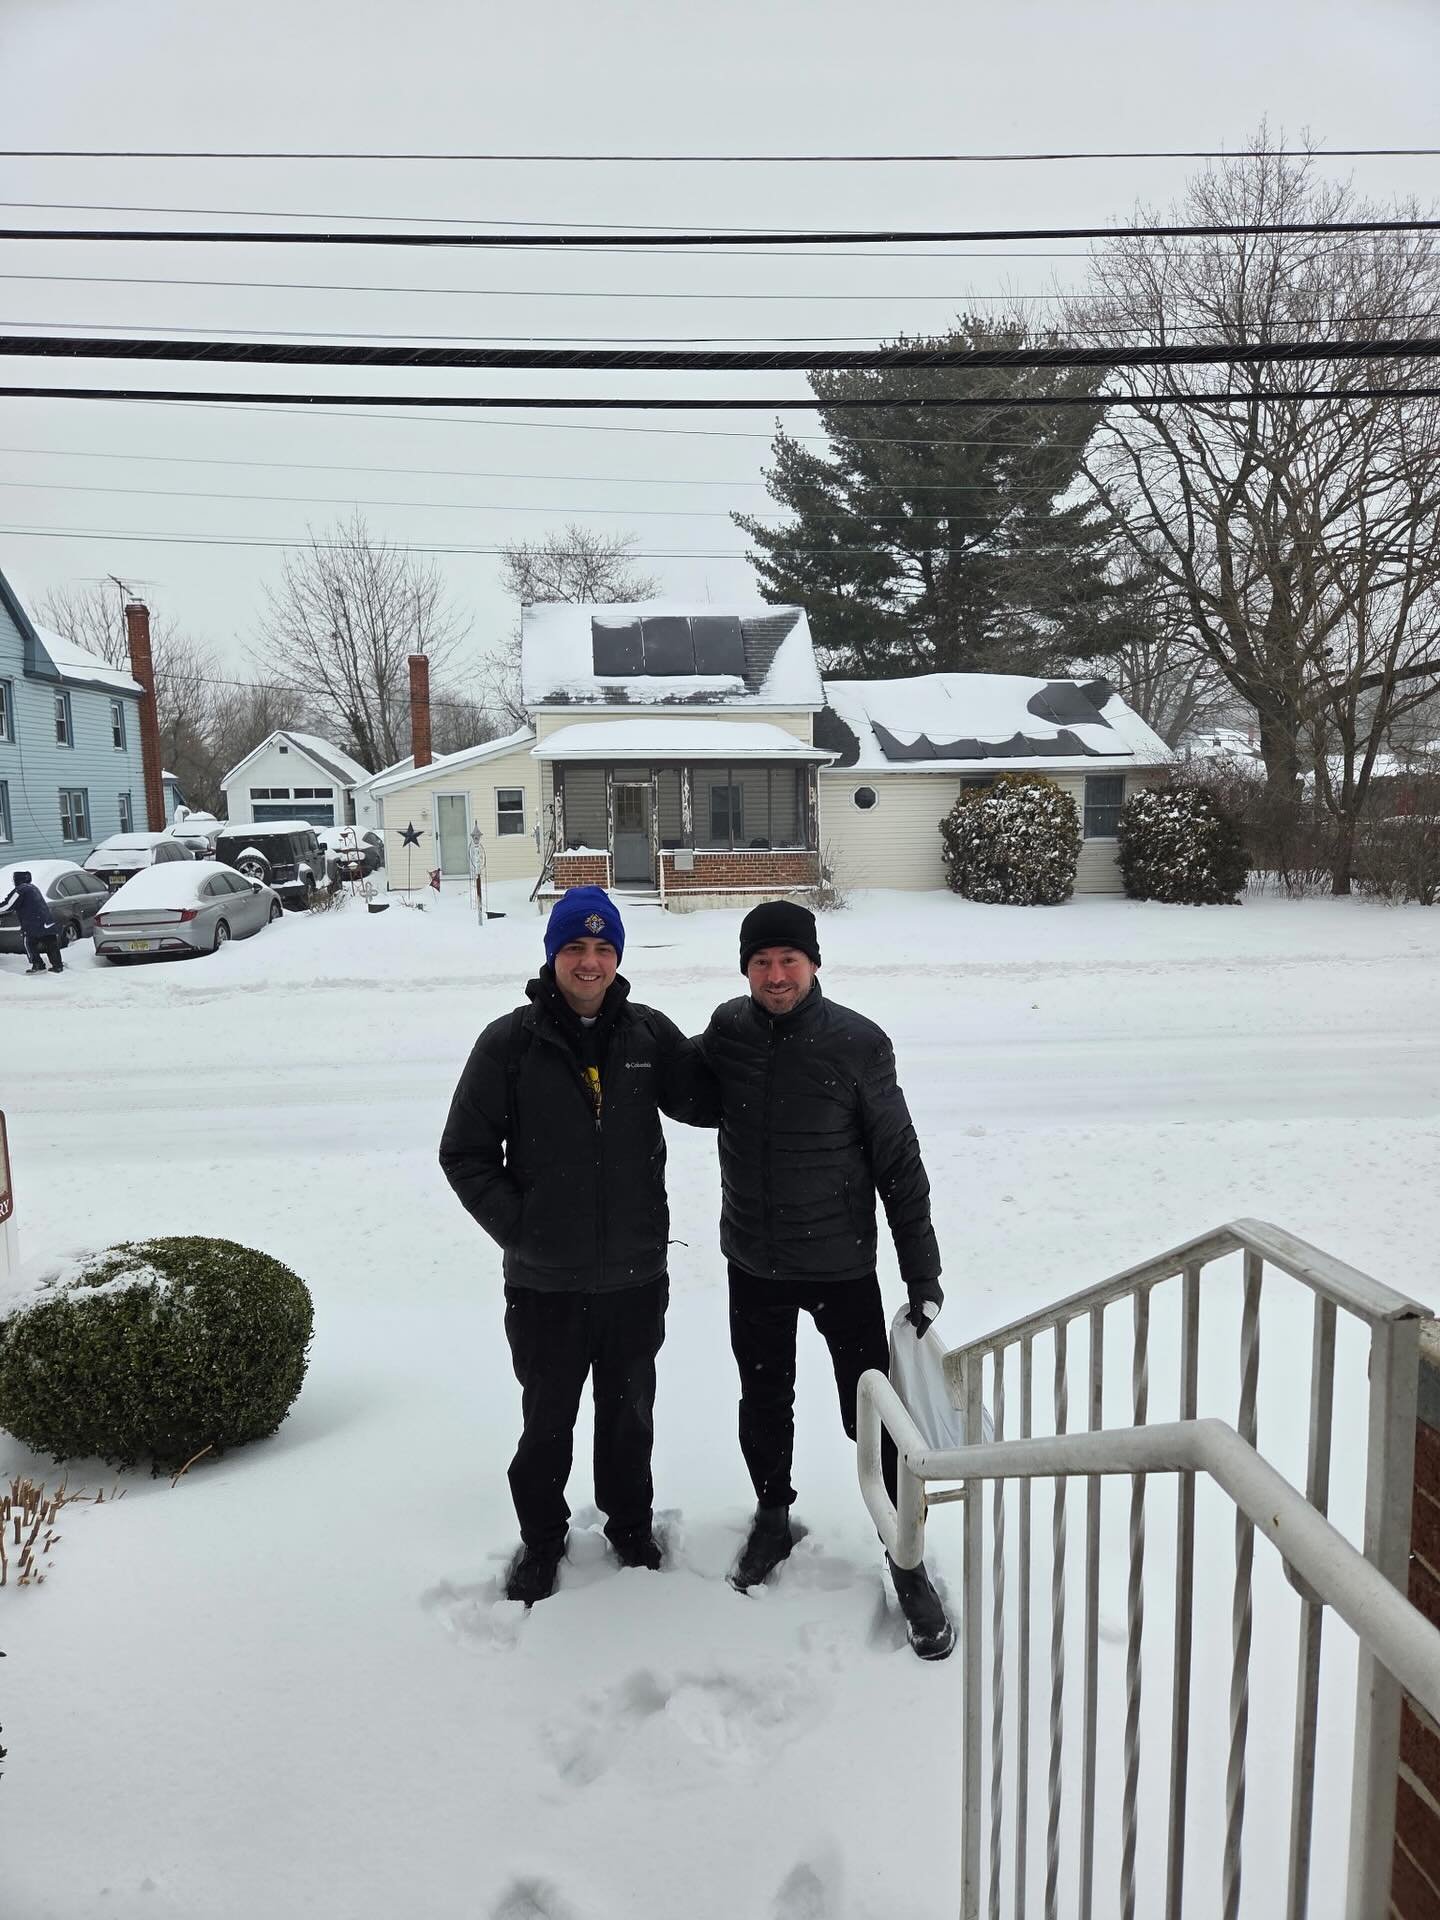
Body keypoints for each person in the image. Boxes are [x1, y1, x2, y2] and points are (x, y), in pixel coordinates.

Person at [439, 886, 716, 1608]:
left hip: (633, 1278)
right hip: (545, 1286)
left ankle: (630, 1527)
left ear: (618, 957)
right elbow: (464, 1153)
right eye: (575, 948)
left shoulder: (648, 1036)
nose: (588, 962)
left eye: (602, 949)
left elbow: (707, 1100)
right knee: (547, 1422)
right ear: (553, 956)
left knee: (629, 1418)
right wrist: (522, 1229)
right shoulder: (509, 1044)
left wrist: (753, 1028)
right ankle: (542, 1542)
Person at [698, 899, 953, 1660]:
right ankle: (772, 1517)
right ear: (745, 968)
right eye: (761, 962)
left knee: (869, 1415)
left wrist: (922, 1269)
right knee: (764, 1399)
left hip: (841, 1265)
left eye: (789, 960)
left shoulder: (858, 1045)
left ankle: (903, 1557)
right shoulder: (727, 1032)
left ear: (813, 964)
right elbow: (681, 1090)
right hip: (753, 1262)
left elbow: (899, 1165)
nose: (776, 975)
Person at [0, 871, 64, 975]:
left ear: (18, 880)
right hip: (46, 921)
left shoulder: (21, 889)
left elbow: (8, 905)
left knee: (29, 943)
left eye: (14, 879)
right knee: (50, 943)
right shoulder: (33, 888)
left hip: (33, 923)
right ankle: (57, 966)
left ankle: (38, 965)